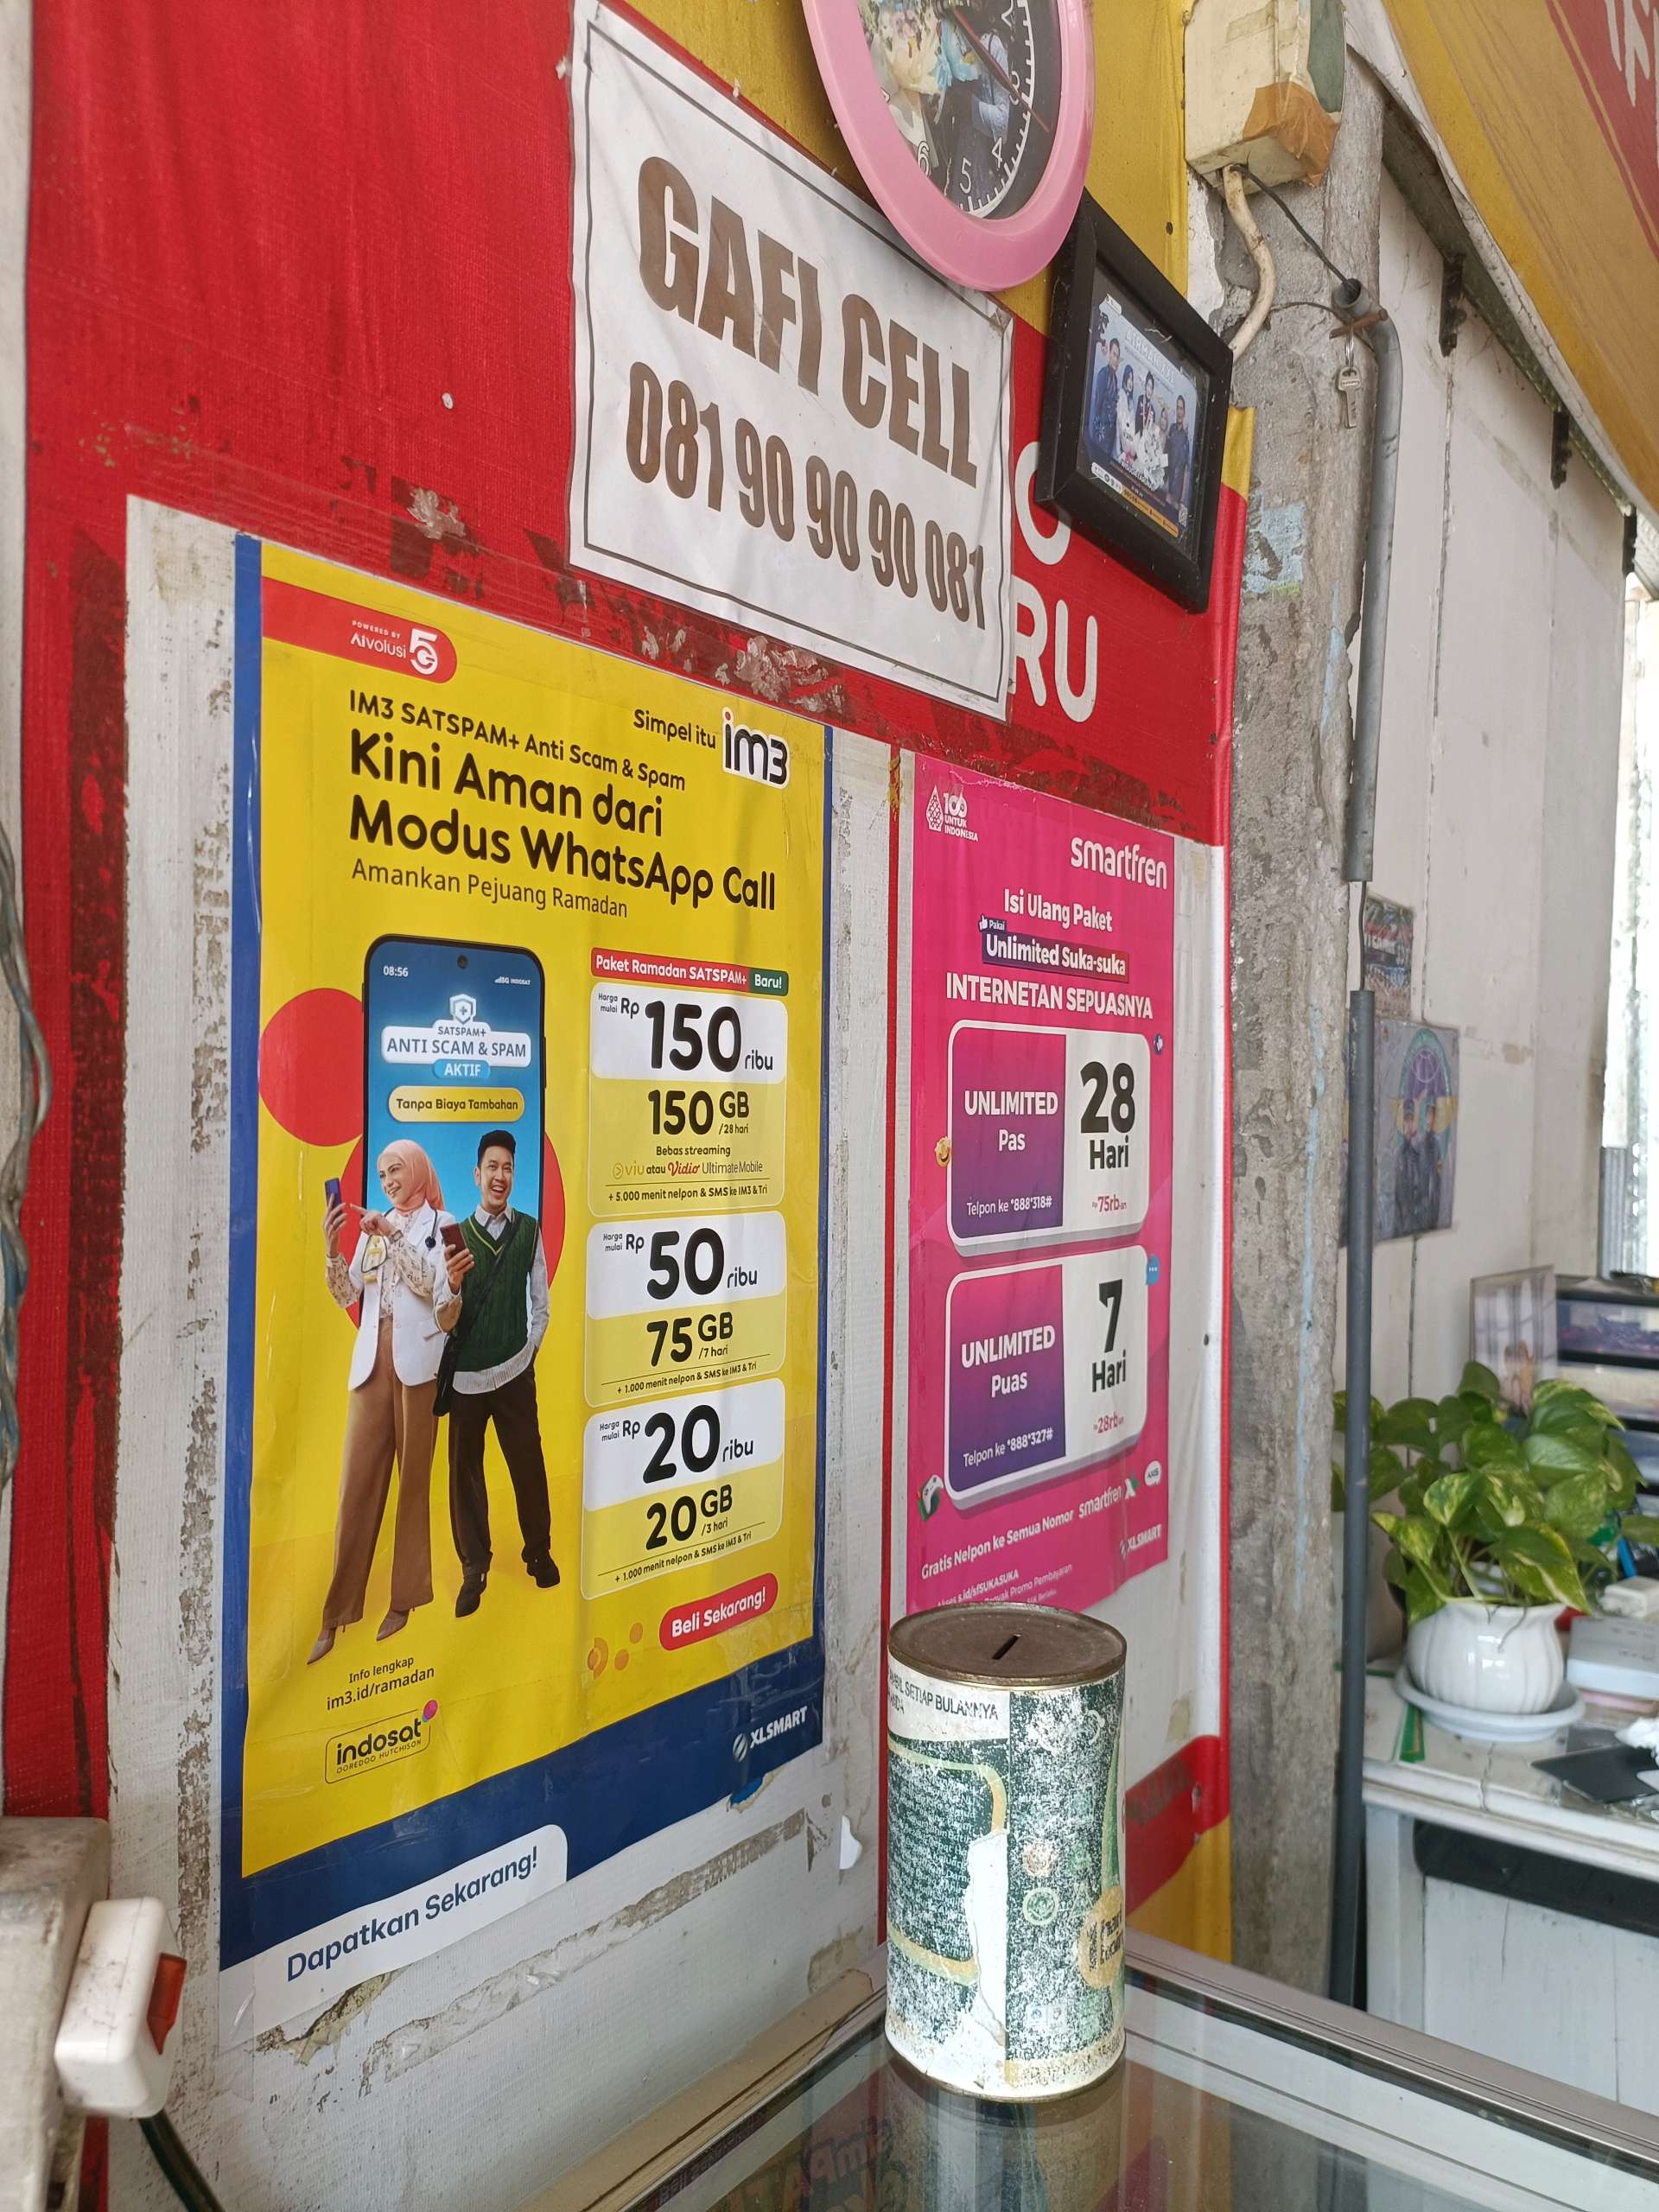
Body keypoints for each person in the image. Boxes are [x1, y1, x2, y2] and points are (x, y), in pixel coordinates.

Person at [313, 1141, 460, 1663]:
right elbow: (347, 1295)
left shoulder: (443, 1224)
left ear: (417, 1170)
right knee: (356, 1485)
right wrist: (333, 1250)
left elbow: (432, 1287)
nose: (389, 1181)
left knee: (413, 1483)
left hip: (418, 1365)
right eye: (381, 1174)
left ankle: (405, 1599)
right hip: (372, 1360)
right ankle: (337, 1612)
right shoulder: (373, 1228)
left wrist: (393, 1235)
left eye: (396, 1170)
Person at [442, 1128, 558, 1614]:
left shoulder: (528, 1230)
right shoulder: (454, 1238)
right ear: (477, 1174)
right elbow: (443, 1316)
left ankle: (539, 1552)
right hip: (466, 1381)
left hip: (514, 1373)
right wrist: (452, 1284)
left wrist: (529, 1351)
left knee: (528, 1467)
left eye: (507, 1168)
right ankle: (474, 1568)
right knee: (464, 1476)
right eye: (492, 1166)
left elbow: (541, 1303)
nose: (500, 1176)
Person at [936, 0, 1011, 209]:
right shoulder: (953, 35)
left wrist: (971, 106)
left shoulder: (993, 46)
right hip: (951, 159)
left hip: (980, 171)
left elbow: (1003, 122)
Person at [1087, 333, 1121, 468]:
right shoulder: (1103, 374)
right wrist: (1096, 437)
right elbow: (1097, 406)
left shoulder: (1115, 379)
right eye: (1114, 354)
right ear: (1109, 355)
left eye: (1118, 356)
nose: (1116, 359)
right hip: (1099, 438)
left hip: (1109, 439)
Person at [1166, 394, 1192, 517]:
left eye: (1181, 408)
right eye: (1177, 408)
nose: (1179, 412)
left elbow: (1187, 468)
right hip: (1168, 485)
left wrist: (1183, 495)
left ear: (1184, 412)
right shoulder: (1172, 429)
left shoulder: (1187, 438)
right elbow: (1166, 453)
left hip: (1178, 491)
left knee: (1174, 518)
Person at [1115, 364, 1138, 474]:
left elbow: (1132, 430)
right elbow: (1119, 425)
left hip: (1128, 454)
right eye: (1129, 378)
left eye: (1132, 379)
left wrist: (1131, 453)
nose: (1130, 382)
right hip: (1119, 451)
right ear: (1125, 379)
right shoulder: (1121, 394)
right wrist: (1120, 452)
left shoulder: (1131, 402)